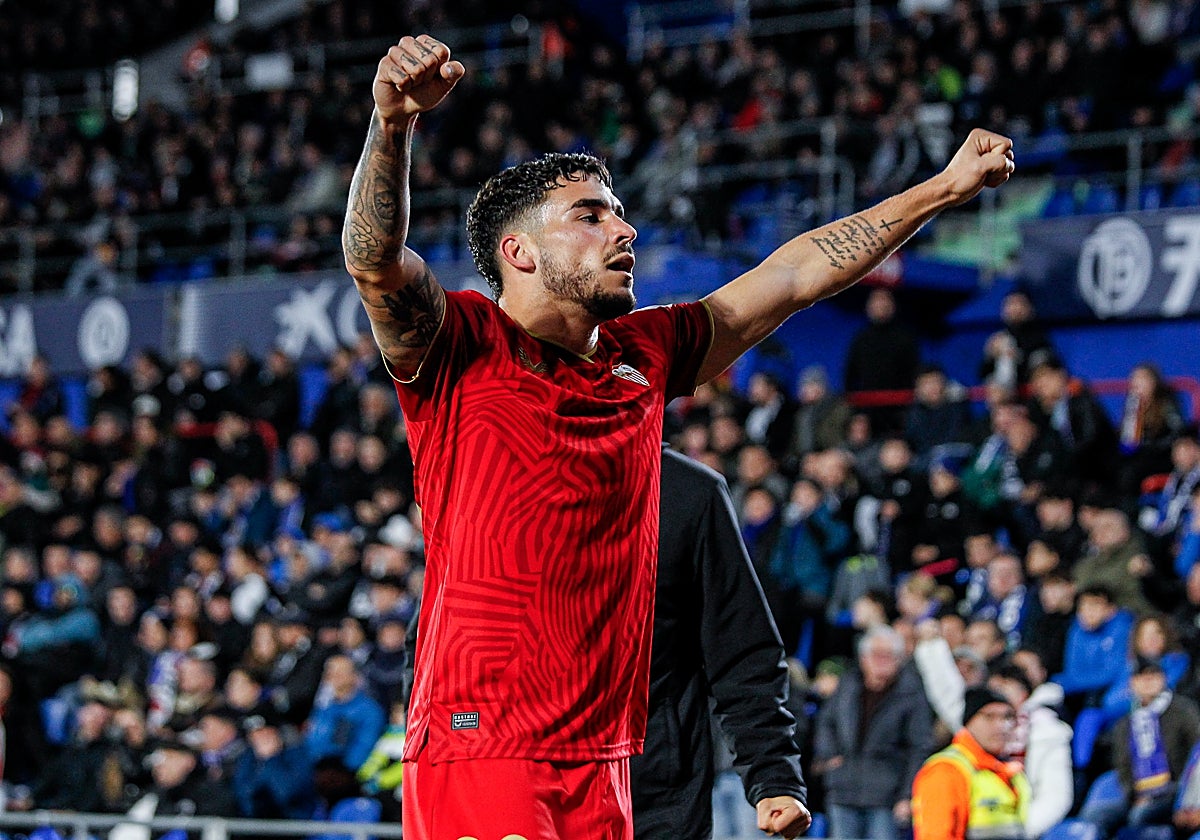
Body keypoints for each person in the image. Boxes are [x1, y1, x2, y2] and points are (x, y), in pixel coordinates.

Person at [342, 32, 1014, 837]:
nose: (623, 231)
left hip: (609, 760)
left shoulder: (646, 353)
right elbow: (374, 260)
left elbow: (797, 274)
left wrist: (939, 190)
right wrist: (391, 126)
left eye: (621, 214)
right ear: (517, 252)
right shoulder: (460, 344)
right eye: (590, 216)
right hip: (484, 745)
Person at [632, 446, 808, 840]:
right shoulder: (488, 479)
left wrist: (774, 774)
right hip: (522, 785)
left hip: (655, 794)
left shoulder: (687, 492)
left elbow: (743, 652)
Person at [911, 687, 1030, 840]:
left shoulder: (1011, 772)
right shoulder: (947, 769)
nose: (1001, 726)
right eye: (989, 717)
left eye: (1007, 717)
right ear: (969, 721)